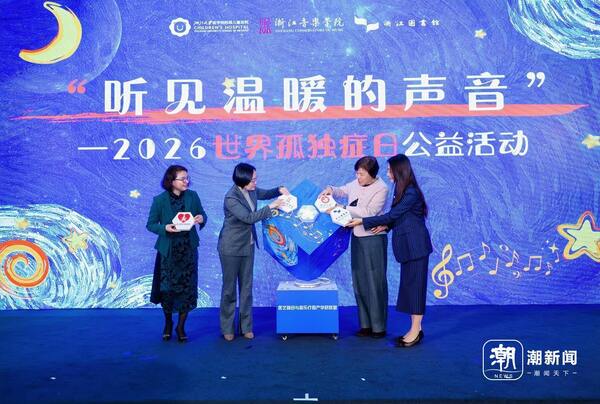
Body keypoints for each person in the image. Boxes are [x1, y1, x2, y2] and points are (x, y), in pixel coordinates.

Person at [346, 154, 432, 348]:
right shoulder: (401, 190)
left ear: (399, 171)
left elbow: (393, 214)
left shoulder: (410, 192)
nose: (387, 173)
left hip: (416, 247)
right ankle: (415, 328)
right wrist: (387, 226)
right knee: (410, 288)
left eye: (389, 170)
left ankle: (416, 331)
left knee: (416, 289)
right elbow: (400, 217)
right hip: (408, 247)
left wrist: (363, 222)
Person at [218, 163, 288, 341]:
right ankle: (227, 327)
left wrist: (279, 189)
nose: (256, 182)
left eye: (256, 179)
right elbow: (249, 218)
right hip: (231, 247)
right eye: (253, 180)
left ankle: (246, 326)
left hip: (248, 245)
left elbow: (266, 193)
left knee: (246, 288)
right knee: (229, 289)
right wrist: (272, 207)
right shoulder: (231, 198)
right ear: (243, 180)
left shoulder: (252, 190)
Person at [320, 156, 389, 338]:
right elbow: (343, 190)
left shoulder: (381, 188)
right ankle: (365, 325)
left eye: (361, 174)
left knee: (375, 282)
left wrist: (342, 207)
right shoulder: (356, 183)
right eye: (357, 173)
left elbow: (370, 212)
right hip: (357, 237)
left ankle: (378, 327)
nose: (358, 177)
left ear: (372, 174)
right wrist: (330, 190)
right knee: (360, 280)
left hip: (373, 238)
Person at [146, 165, 207, 342]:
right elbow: (150, 224)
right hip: (168, 252)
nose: (186, 181)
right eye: (182, 179)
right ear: (171, 181)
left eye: (187, 178)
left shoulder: (193, 196)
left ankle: (181, 326)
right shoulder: (160, 200)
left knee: (187, 289)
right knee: (167, 290)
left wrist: (201, 218)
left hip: (188, 250)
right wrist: (165, 227)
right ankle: (168, 322)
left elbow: (202, 214)